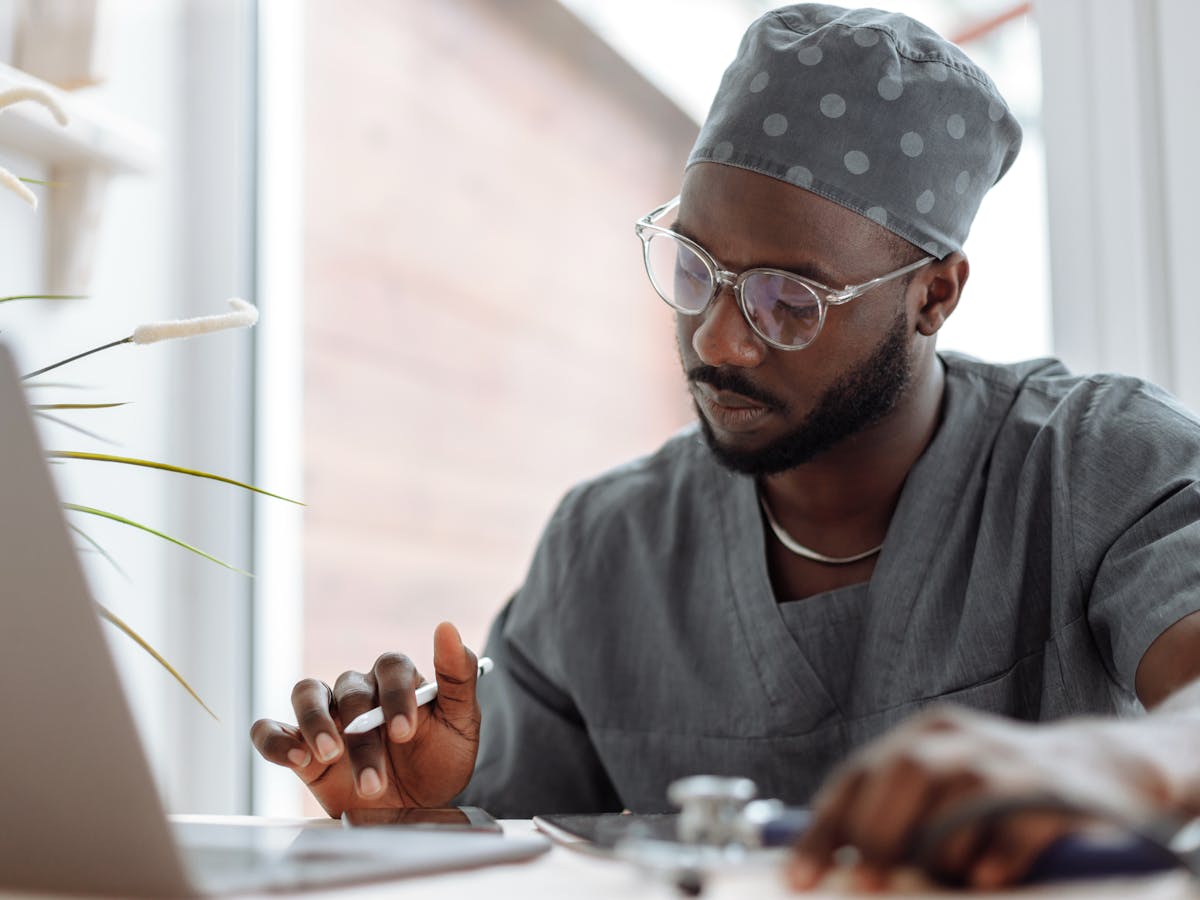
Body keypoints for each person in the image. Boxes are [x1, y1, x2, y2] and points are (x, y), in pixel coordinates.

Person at [252, 4, 1200, 889]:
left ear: (934, 296)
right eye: (696, 267)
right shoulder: (607, 550)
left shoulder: (1096, 464)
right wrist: (422, 820)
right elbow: (526, 860)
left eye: (790, 301)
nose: (717, 340)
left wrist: (1112, 761)